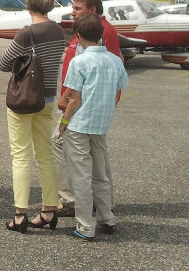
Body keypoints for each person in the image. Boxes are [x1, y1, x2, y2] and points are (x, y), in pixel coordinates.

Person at [0, 0, 65, 233]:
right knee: (45, 155)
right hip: (47, 98)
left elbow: (5, 63)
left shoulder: (27, 33)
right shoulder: (58, 31)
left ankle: (20, 214)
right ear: (49, 4)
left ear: (28, 4)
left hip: (24, 100)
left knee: (20, 155)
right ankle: (49, 210)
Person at [52, 0, 122, 218]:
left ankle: (75, 201)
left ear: (92, 10)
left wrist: (69, 104)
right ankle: (103, 206)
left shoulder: (101, 32)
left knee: (60, 143)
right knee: (97, 154)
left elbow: (104, 69)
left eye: (78, 8)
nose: (73, 11)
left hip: (81, 108)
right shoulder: (92, 28)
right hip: (83, 106)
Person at [59, 13, 129, 241]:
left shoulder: (79, 62)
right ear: (101, 35)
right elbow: (120, 88)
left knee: (81, 176)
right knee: (101, 173)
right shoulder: (115, 60)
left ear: (78, 36)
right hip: (101, 124)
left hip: (79, 125)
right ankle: (107, 216)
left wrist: (63, 123)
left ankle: (85, 225)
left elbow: (74, 100)